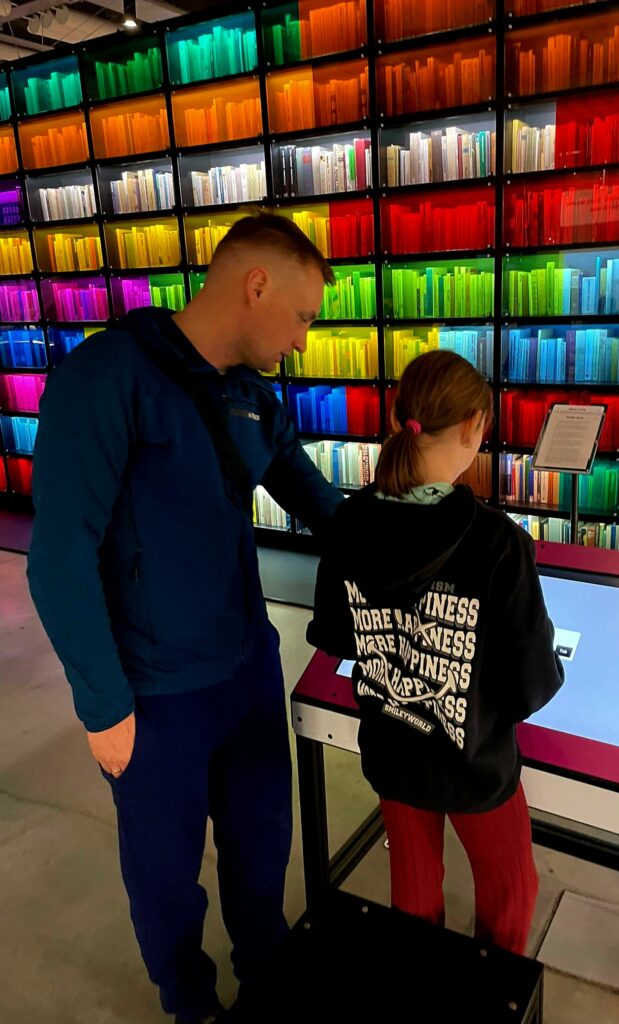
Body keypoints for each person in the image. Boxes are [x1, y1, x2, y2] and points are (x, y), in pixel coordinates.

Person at [27, 215, 344, 1023]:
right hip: (155, 688)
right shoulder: (106, 378)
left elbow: (323, 507)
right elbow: (59, 555)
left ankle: (266, 975)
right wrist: (103, 705)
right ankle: (190, 1002)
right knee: (165, 872)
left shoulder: (250, 396)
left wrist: (435, 532)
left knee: (262, 843)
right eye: (303, 317)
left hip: (246, 667)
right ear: (256, 285)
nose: (303, 341)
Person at [307, 350, 564, 955]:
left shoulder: (348, 521)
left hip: (391, 748)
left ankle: (419, 989)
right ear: (475, 426)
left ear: (400, 418)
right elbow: (530, 683)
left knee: (414, 886)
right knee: (510, 890)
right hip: (474, 764)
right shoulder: (499, 542)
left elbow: (336, 636)